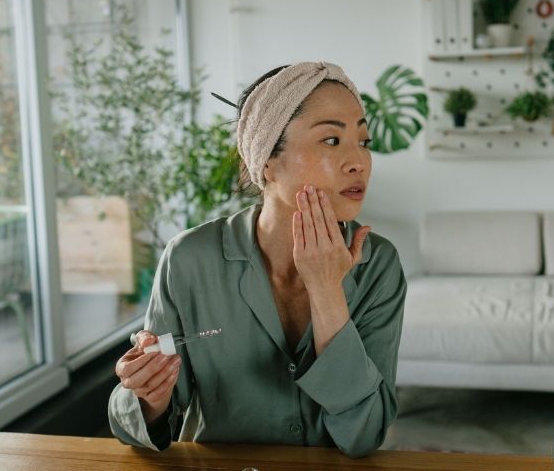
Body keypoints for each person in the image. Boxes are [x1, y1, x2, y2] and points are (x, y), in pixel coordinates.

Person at [108, 61, 407, 458]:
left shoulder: (378, 264)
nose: (359, 162)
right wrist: (148, 394)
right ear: (267, 161)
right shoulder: (189, 259)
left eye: (364, 142)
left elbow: (365, 434)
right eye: (332, 140)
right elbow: (137, 420)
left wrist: (327, 292)